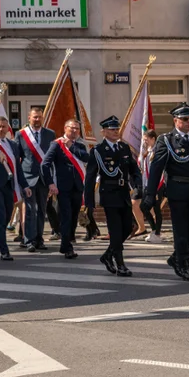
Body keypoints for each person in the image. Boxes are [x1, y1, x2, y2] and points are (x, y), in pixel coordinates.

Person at [144, 104, 189, 281]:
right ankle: (183, 263)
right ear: (176, 121)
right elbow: (156, 168)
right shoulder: (166, 140)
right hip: (178, 190)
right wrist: (150, 194)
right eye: (185, 119)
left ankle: (176, 257)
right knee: (181, 229)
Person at [84, 116, 142, 276]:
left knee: (128, 228)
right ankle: (120, 263)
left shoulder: (124, 148)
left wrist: (139, 184)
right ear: (103, 132)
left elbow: (133, 169)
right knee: (116, 231)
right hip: (109, 194)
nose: (116, 131)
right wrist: (89, 202)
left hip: (124, 193)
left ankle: (107, 255)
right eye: (112, 129)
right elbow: (90, 177)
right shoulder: (98, 151)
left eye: (117, 129)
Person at [0, 116, 31, 261]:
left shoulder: (12, 145)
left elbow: (18, 168)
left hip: (9, 185)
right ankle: (4, 251)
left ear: (8, 128)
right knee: (0, 215)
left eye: (3, 126)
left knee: (6, 217)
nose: (1, 129)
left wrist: (25, 185)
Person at [42, 119, 89, 260]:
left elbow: (87, 158)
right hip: (62, 187)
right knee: (66, 216)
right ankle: (67, 247)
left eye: (77, 129)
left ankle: (66, 242)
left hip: (78, 186)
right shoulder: (56, 144)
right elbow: (45, 164)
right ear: (65, 128)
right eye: (71, 128)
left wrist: (72, 147)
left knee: (74, 216)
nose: (74, 131)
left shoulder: (80, 145)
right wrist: (50, 183)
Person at [17, 106, 56, 253]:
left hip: (44, 179)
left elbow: (51, 160)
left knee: (42, 210)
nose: (37, 120)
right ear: (29, 118)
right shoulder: (21, 135)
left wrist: (52, 181)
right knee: (30, 210)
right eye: (35, 117)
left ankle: (39, 239)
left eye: (40, 117)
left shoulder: (50, 134)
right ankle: (29, 240)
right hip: (28, 178)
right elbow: (17, 159)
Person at [138, 129, 164, 243]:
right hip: (148, 184)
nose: (145, 142)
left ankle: (157, 233)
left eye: (146, 139)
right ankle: (154, 230)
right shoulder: (147, 151)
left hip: (157, 185)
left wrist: (158, 187)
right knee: (143, 207)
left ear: (153, 139)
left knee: (156, 209)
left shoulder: (158, 150)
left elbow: (160, 170)